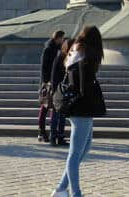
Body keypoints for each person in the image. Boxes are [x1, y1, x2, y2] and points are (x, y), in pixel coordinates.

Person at [52, 26, 106, 197]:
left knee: (85, 148)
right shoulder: (84, 57)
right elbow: (83, 86)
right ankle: (75, 194)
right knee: (75, 154)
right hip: (81, 108)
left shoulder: (78, 53)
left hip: (82, 108)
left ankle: (61, 188)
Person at [38, 30, 66, 142]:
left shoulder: (58, 49)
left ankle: (49, 132)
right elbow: (44, 67)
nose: (63, 40)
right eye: (62, 38)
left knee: (51, 107)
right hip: (47, 83)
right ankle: (41, 131)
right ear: (57, 38)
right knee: (45, 107)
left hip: (55, 81)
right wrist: (46, 81)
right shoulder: (48, 49)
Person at [49, 37, 73, 146]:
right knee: (55, 115)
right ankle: (53, 136)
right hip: (58, 91)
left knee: (62, 115)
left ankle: (61, 136)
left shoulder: (70, 59)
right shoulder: (59, 58)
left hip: (65, 91)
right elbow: (53, 77)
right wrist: (55, 92)